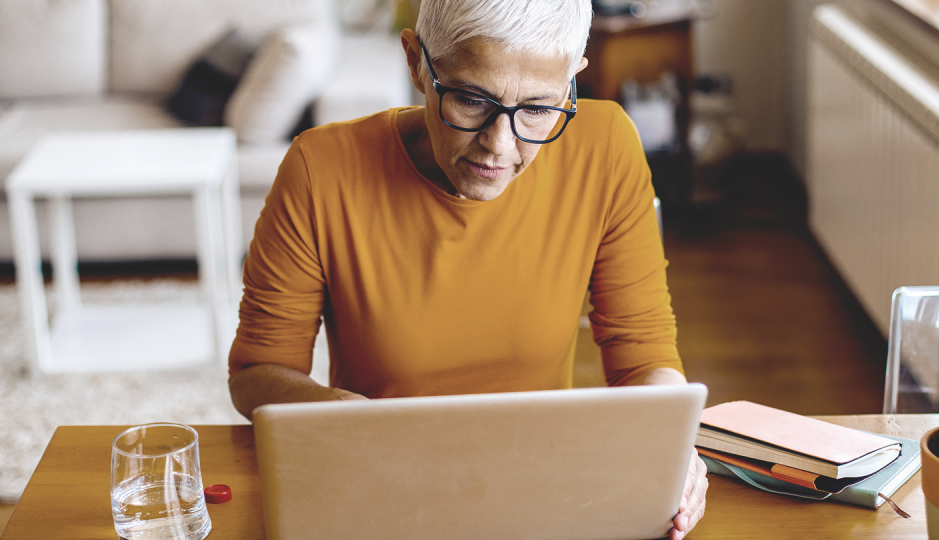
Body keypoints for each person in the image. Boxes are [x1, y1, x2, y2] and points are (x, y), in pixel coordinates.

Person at [226, 0, 707, 537]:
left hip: (545, 492)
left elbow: (645, 358)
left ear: (572, 81)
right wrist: (341, 416)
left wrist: (671, 447)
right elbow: (256, 375)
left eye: (538, 109)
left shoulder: (607, 145)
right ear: (416, 63)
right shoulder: (322, 169)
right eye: (472, 100)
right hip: (380, 489)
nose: (500, 146)